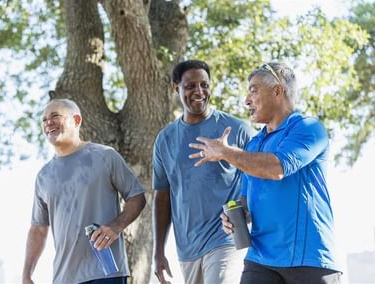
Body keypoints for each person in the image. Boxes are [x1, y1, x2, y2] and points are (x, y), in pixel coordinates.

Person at [189, 62, 342, 283]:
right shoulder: (254, 144)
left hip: (309, 259)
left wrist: (226, 152)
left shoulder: (308, 128)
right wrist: (236, 215)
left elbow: (277, 167)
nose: (247, 100)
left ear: (277, 90)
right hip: (260, 259)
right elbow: (247, 200)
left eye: (253, 90)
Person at [22, 98, 146, 284]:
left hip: (105, 274)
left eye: (55, 116)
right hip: (64, 278)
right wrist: (26, 274)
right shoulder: (43, 176)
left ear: (76, 120)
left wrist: (116, 226)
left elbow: (137, 196)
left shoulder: (105, 156)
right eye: (44, 119)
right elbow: (38, 230)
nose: (48, 123)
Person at [152, 60, 253, 284]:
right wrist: (158, 251)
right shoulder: (165, 140)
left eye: (204, 85)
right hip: (187, 248)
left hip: (227, 238)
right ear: (175, 88)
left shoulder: (237, 129)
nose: (199, 92)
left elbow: (260, 177)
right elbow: (162, 196)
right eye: (190, 86)